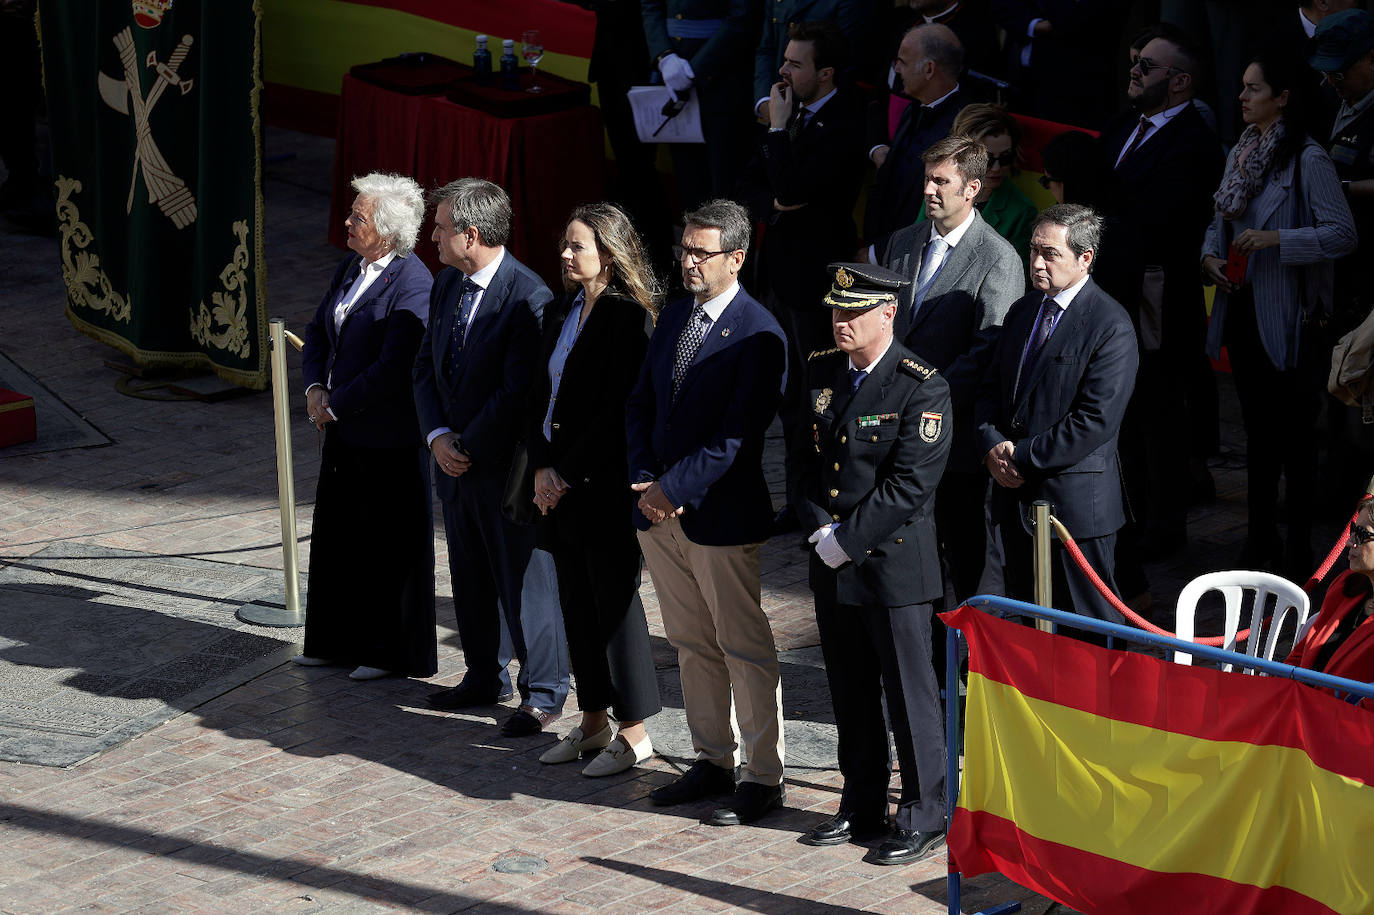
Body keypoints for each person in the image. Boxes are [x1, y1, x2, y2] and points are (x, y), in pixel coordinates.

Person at [626, 199, 789, 825]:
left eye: (702, 252)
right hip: (657, 510)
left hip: (717, 514)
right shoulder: (673, 316)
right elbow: (641, 403)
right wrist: (645, 476)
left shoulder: (758, 333)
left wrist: (673, 489)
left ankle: (762, 775)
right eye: (685, 249)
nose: (689, 262)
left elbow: (736, 437)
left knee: (742, 646)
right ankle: (713, 759)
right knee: (691, 642)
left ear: (737, 258)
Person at [794, 263, 952, 866]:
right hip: (831, 558)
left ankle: (925, 813)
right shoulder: (822, 370)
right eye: (836, 310)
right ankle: (861, 802)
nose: (841, 321)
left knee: (909, 694)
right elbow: (804, 461)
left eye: (854, 311)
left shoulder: (921, 386)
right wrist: (818, 529)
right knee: (850, 689)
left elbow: (910, 484)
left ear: (888, 313)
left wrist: (846, 540)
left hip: (892, 565)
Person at [413, 178, 569, 736]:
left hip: (502, 469)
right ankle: (484, 675)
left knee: (523, 583)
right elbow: (425, 366)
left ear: (471, 235)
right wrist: (437, 436)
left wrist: (466, 445)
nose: (432, 237)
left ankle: (544, 691)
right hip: (454, 466)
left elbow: (517, 391)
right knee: (470, 576)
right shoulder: (445, 284)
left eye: (440, 228)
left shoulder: (528, 296)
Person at [1201, 50, 1357, 578]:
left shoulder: (1309, 159)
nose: (1242, 97)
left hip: (1290, 318)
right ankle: (1259, 535)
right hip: (1242, 307)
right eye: (1243, 86)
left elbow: (1342, 234)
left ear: (1283, 98)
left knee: (1294, 435)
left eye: (1254, 88)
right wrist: (1210, 259)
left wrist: (1277, 240)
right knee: (1257, 431)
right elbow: (1218, 222)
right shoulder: (1242, 150)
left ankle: (1298, 546)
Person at [529, 204, 664, 777]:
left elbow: (617, 411)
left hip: (602, 486)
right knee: (575, 602)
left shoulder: (627, 317)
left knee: (613, 605)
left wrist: (564, 473)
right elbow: (539, 394)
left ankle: (634, 733)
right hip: (556, 485)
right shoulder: (561, 309)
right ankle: (592, 723)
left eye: (577, 245)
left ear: (609, 253)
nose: (565, 254)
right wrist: (541, 466)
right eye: (565, 243)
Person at [296, 173, 437, 681]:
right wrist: (315, 388)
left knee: (385, 544)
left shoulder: (413, 283)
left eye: (359, 217)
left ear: (388, 231)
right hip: (343, 431)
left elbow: (394, 367)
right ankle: (333, 641)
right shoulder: (350, 268)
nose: (347, 222)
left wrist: (337, 405)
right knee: (338, 537)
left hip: (387, 437)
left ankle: (386, 651)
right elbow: (317, 330)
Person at [875, 136, 1023, 609]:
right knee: (913, 551)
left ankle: (974, 647)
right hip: (897, 428)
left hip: (954, 432)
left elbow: (988, 349)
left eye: (941, 181)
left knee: (966, 552)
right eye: (927, 179)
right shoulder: (903, 242)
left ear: (972, 188)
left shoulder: (998, 257)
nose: (929, 190)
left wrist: (922, 396)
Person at [975, 204, 1139, 631]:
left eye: (1050, 254)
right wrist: (991, 444)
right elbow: (991, 389)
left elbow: (1094, 420)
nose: (1036, 263)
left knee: (1085, 630)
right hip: (1017, 503)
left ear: (1085, 258)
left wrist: (1019, 455)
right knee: (1029, 624)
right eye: (1034, 250)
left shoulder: (1110, 324)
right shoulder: (1023, 311)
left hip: (1074, 510)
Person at [736, 19, 866, 531]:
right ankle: (796, 500)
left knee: (815, 395)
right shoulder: (791, 113)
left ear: (825, 72)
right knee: (786, 395)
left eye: (795, 63)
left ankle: (816, 501)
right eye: (784, 59)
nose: (783, 71)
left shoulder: (844, 122)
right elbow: (749, 186)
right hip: (776, 274)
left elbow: (790, 187)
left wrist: (776, 132)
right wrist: (773, 203)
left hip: (815, 284)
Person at [1101, 27, 1224, 562]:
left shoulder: (1193, 143)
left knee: (1159, 413)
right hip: (1114, 287)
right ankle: (1129, 513)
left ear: (1179, 81)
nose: (1134, 71)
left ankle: (1163, 526)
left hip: (1159, 299)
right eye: (1135, 61)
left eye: (1147, 66)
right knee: (1123, 410)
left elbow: (1159, 222)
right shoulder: (1125, 124)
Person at [1308, 10, 1374, 513]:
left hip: (1370, 277)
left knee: (1361, 401)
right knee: (1331, 389)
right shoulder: (1329, 100)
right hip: (1334, 276)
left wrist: (1339, 188)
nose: (1332, 78)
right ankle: (1333, 499)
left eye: (1342, 67)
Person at [641, 0, 756, 210]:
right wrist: (664, 56)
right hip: (674, 77)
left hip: (724, 82)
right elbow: (650, 6)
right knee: (689, 187)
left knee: (725, 189)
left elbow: (742, 15)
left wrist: (694, 70)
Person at [864, 23, 969, 241]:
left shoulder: (961, 129)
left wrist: (880, 252)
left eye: (902, 62)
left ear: (929, 69)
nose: (897, 70)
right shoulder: (913, 108)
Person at [907, 103, 1036, 267]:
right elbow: (915, 244)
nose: (996, 168)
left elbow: (1016, 272)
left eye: (1005, 157)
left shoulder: (1021, 212)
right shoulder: (939, 189)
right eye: (987, 160)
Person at [1283, 501, 1374, 684]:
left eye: (1361, 534)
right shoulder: (1345, 585)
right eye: (1353, 531)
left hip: (1337, 703)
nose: (1349, 542)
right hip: (1299, 694)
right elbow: (1301, 655)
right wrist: (1280, 686)